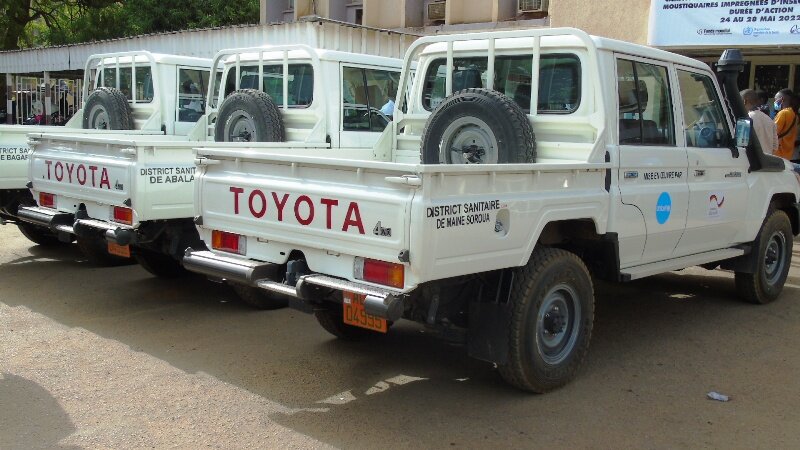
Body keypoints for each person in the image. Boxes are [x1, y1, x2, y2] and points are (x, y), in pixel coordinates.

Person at [741, 89, 778, 155]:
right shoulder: (770, 120)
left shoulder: (745, 119)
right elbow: (775, 146)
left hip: (749, 161)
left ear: (744, 101)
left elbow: (741, 144)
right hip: (767, 161)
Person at [773, 89, 798, 160]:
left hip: (778, 154)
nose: (774, 102)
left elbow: (773, 132)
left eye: (775, 99)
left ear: (781, 99)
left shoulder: (783, 113)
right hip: (788, 155)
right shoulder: (794, 115)